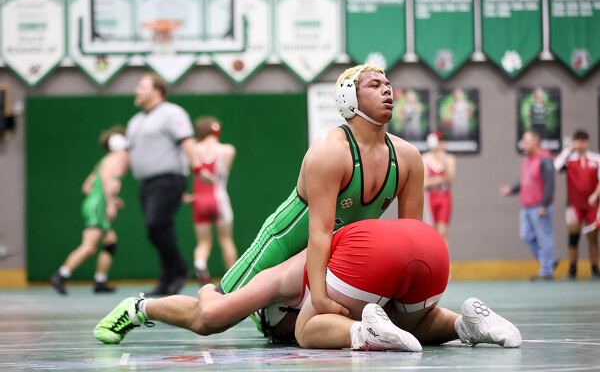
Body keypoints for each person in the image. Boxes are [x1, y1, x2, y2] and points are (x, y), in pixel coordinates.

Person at [93, 63, 424, 337]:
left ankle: (263, 310)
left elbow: (413, 238)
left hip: (332, 249)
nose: (387, 90)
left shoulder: (407, 157)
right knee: (209, 320)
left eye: (388, 84)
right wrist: (321, 299)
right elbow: (320, 233)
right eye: (375, 85)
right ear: (348, 98)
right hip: (284, 242)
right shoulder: (330, 150)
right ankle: (139, 308)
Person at [94, 219, 522, 351]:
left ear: (275, 311)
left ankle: (365, 334)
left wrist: (212, 289)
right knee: (413, 322)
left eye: (272, 331)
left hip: (370, 250)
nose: (276, 337)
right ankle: (467, 325)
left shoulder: (277, 279)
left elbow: (209, 315)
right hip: (428, 243)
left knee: (309, 330)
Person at [126, 72, 201, 296]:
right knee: (158, 230)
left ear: (158, 91)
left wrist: (197, 169)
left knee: (156, 224)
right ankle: (167, 278)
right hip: (146, 185)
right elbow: (126, 154)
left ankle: (179, 268)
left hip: (168, 181)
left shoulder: (172, 113)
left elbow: (187, 142)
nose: (136, 91)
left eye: (142, 86)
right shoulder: (135, 121)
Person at [50, 126, 129, 294]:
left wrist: (106, 198)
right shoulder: (120, 158)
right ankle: (61, 275)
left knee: (110, 243)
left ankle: (100, 281)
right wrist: (109, 202)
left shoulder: (104, 161)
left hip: (92, 203)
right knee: (88, 247)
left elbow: (87, 187)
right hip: (98, 206)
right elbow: (107, 180)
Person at [182, 117, 237, 284]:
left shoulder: (192, 150)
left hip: (199, 200)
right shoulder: (227, 150)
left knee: (203, 242)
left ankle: (200, 263)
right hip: (219, 199)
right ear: (216, 131)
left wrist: (184, 194)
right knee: (226, 240)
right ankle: (234, 277)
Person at [501, 130, 557, 280]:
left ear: (536, 142)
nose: (524, 145)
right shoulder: (527, 160)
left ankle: (547, 271)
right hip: (527, 207)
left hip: (540, 207)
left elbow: (550, 184)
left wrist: (544, 205)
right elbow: (526, 182)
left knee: (544, 238)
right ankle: (549, 262)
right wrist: (511, 190)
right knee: (525, 235)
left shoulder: (545, 159)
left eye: (526, 142)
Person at [554, 129, 600, 279]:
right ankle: (572, 269)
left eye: (583, 140)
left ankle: (595, 268)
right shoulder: (569, 160)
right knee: (573, 237)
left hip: (592, 205)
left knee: (593, 237)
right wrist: (569, 149)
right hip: (574, 206)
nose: (581, 144)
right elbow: (555, 166)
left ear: (588, 142)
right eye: (578, 140)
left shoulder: (596, 159)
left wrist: (595, 195)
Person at [422, 131, 455, 246]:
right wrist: (441, 179)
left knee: (443, 231)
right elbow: (425, 183)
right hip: (430, 198)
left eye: (444, 142)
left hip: (444, 198)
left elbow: (450, 180)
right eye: (440, 142)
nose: (443, 145)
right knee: (431, 232)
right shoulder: (425, 159)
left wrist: (443, 164)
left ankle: (446, 257)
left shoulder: (449, 159)